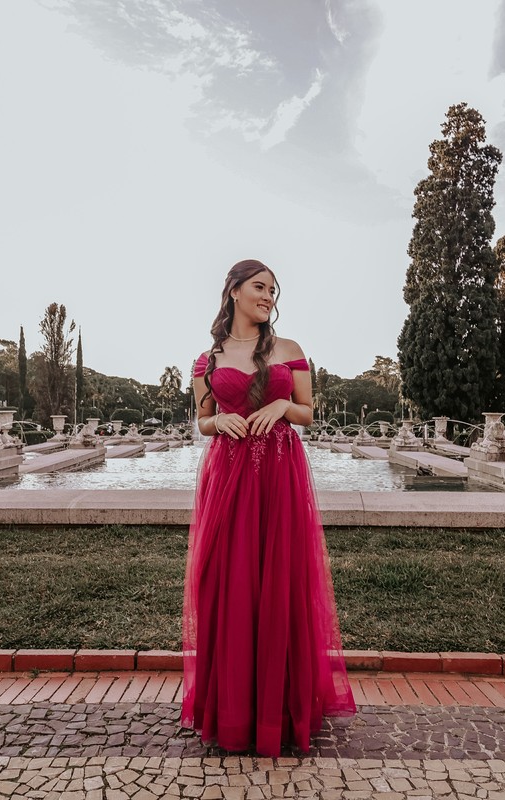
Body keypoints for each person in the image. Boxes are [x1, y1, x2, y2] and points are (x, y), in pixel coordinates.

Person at [181, 259, 356, 756]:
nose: (268, 297)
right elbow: (202, 420)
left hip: (280, 473)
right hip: (229, 476)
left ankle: (280, 709)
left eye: (273, 290)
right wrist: (220, 423)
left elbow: (308, 413)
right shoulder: (207, 359)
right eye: (259, 287)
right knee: (230, 578)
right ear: (234, 291)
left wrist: (281, 407)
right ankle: (233, 710)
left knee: (281, 579)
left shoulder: (290, 350)